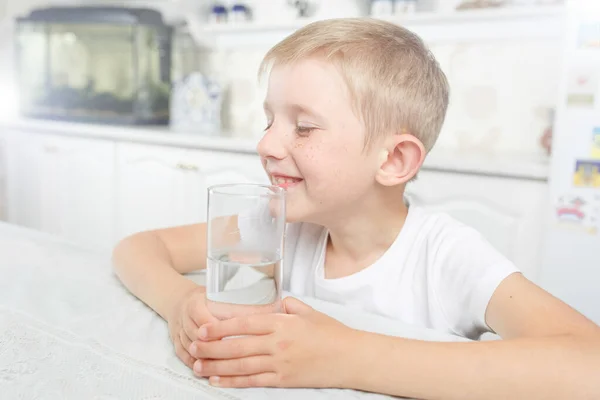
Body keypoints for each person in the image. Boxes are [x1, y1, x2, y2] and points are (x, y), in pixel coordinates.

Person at [112, 18, 600, 400]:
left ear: (393, 160)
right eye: (269, 120)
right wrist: (179, 303)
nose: (265, 144)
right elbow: (138, 249)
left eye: (303, 128)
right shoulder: (278, 222)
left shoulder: (443, 256)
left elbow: (589, 365)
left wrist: (344, 356)